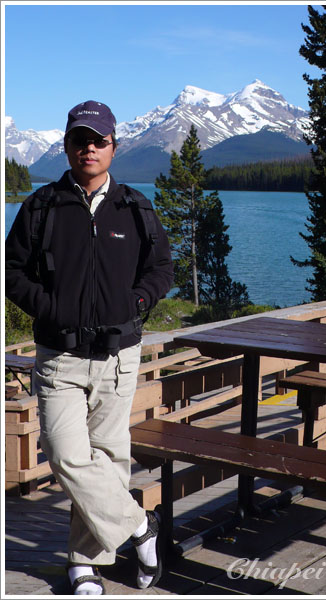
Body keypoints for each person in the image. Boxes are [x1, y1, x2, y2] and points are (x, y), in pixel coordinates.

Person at [5, 100, 174, 595]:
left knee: (107, 460)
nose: (89, 148)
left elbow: (161, 268)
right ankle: (142, 527)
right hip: (59, 356)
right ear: (67, 145)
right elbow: (11, 271)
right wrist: (49, 307)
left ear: (114, 148)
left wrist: (138, 298)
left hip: (119, 357)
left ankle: (84, 565)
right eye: (81, 140)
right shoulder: (41, 207)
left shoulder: (136, 207)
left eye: (99, 141)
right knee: (65, 456)